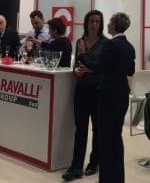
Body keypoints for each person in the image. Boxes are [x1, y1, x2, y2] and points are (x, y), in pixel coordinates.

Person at [77, 12, 135, 183]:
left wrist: (82, 54)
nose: (107, 25)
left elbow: (95, 65)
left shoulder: (110, 45)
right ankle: (118, 178)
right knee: (116, 138)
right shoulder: (129, 46)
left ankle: (107, 178)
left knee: (106, 140)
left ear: (115, 25)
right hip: (122, 95)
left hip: (108, 96)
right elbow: (130, 70)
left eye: (109, 22)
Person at [62, 10, 106, 181]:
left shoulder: (105, 43)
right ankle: (76, 166)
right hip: (81, 90)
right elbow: (76, 64)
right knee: (80, 129)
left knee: (97, 129)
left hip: (98, 91)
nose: (94, 24)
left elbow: (103, 68)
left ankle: (94, 163)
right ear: (86, 23)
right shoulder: (80, 42)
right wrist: (76, 71)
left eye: (97, 21)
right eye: (92, 21)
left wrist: (90, 68)